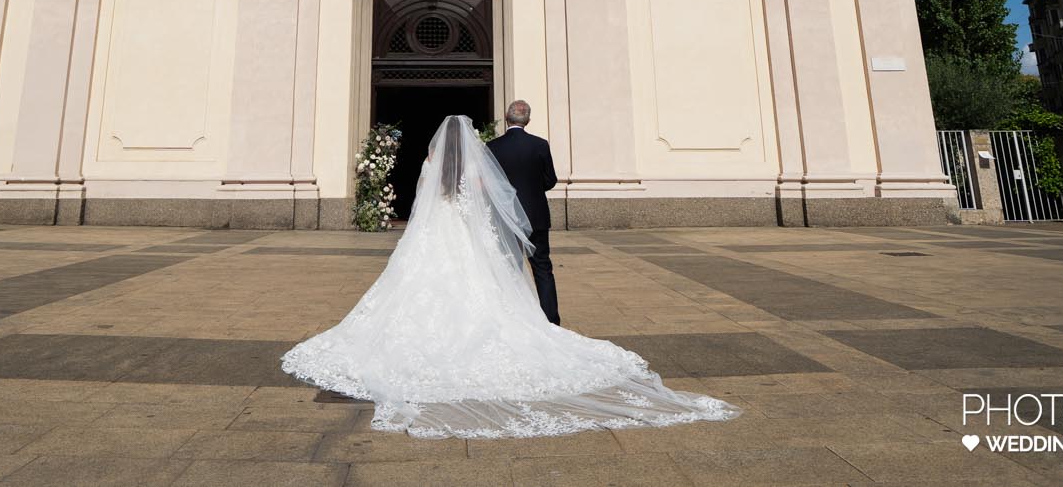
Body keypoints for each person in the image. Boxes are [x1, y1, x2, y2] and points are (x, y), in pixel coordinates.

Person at [282, 113, 736, 439]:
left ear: (439, 149)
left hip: (434, 233)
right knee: (487, 282)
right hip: (465, 232)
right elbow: (484, 201)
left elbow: (421, 204)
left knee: (418, 284)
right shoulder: (479, 166)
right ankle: (539, 319)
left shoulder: (430, 168)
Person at [485, 99, 559, 324]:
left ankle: (512, 318)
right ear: (527, 120)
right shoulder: (540, 145)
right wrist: (534, 190)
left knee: (508, 266)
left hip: (506, 216)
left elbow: (490, 183)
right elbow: (550, 180)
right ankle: (550, 319)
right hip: (536, 216)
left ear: (507, 118)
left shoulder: (492, 147)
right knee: (542, 268)